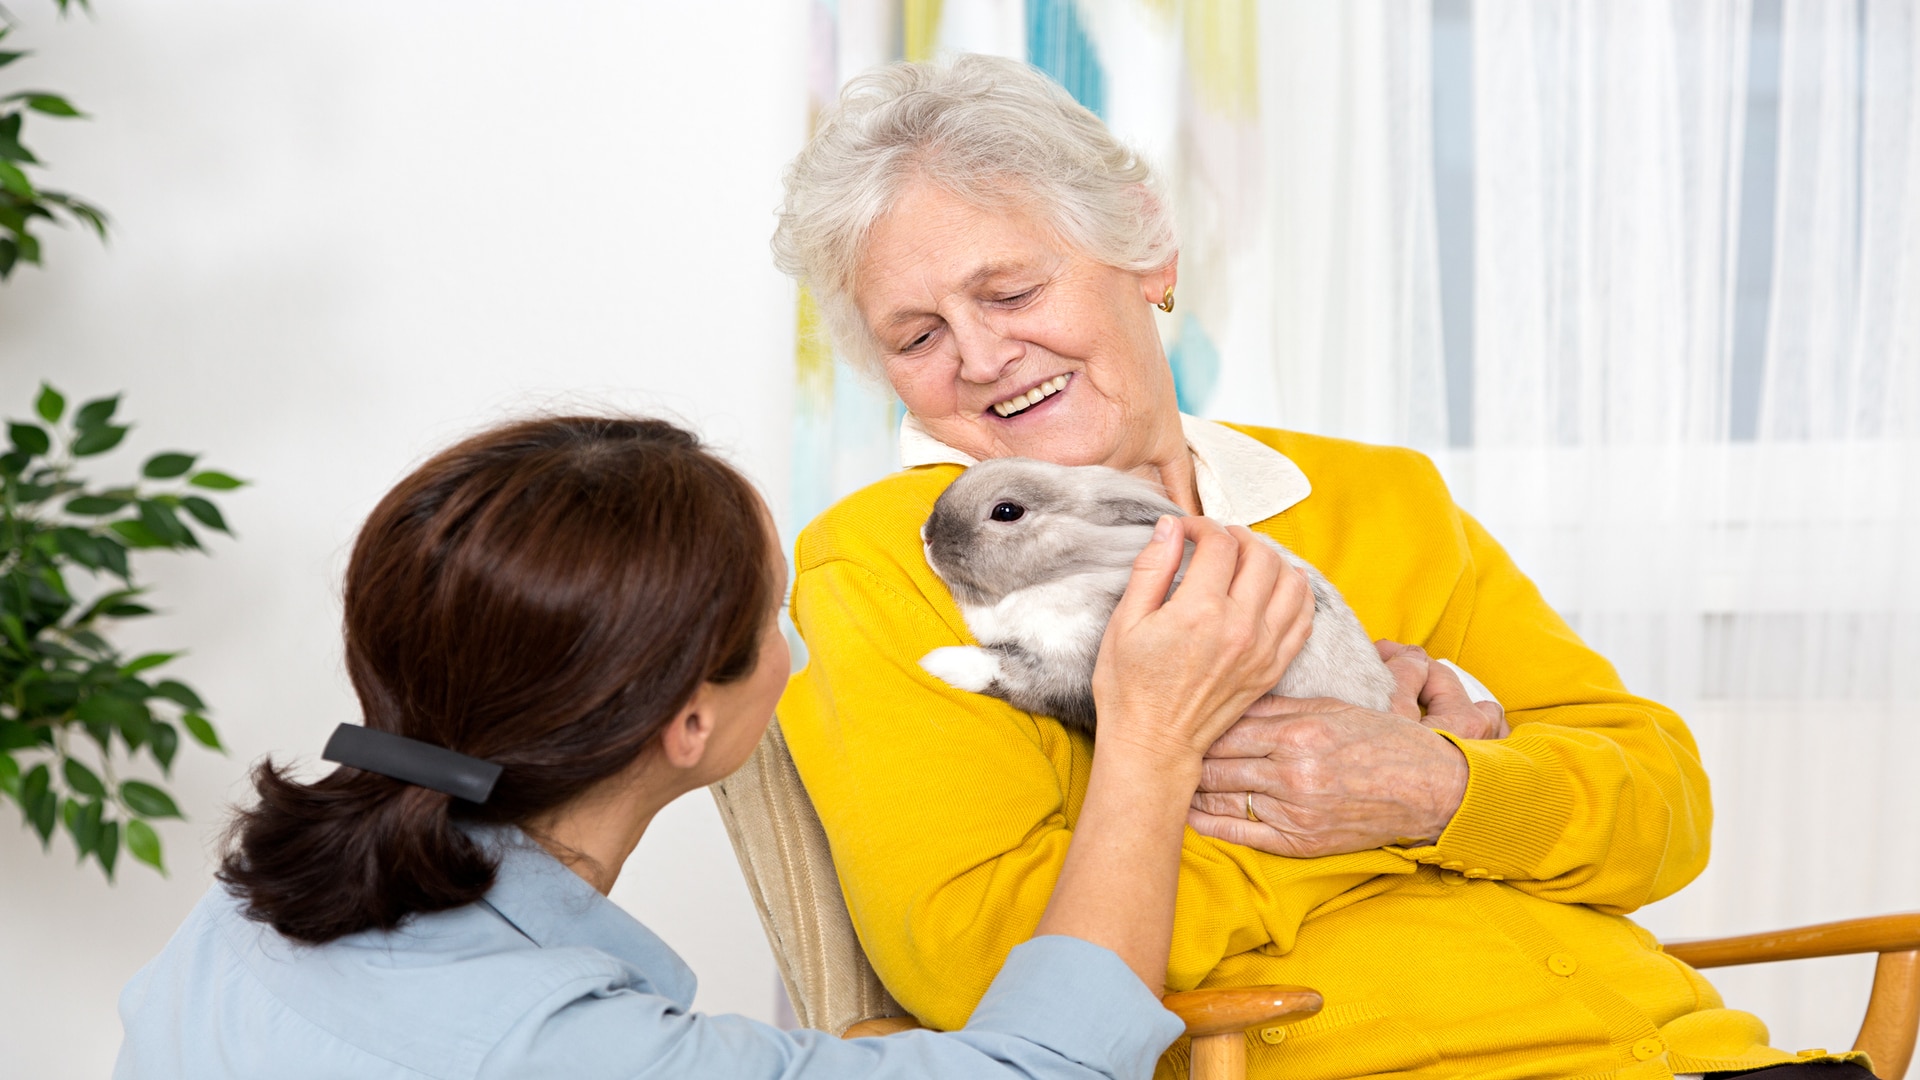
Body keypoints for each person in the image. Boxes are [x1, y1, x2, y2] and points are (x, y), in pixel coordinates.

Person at [770, 55, 1871, 1080]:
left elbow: (1662, 813)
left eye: (1010, 293)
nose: (979, 356)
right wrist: (1371, 811)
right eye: (916, 338)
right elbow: (988, 963)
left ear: (1146, 252)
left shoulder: (1383, 497)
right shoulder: (894, 565)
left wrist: (1437, 789)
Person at [113, 415, 1314, 1080]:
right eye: (772, 620)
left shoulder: (237, 920)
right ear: (692, 724)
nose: (800, 646)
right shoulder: (572, 1051)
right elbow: (1044, 1073)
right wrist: (1152, 737)